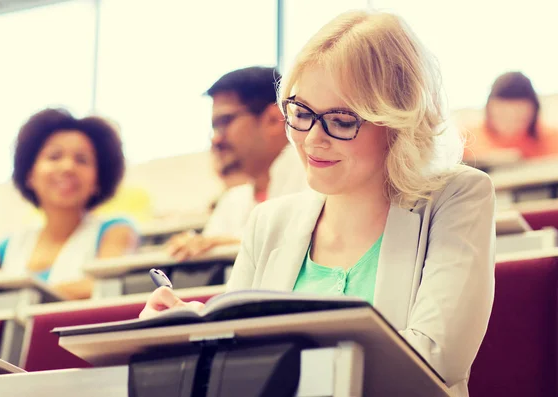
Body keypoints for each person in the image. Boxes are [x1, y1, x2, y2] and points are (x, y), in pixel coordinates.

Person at [141, 10, 495, 396]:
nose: (312, 140)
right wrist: (189, 328)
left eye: (341, 121)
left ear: (398, 122)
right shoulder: (269, 222)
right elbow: (237, 370)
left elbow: (435, 360)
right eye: (301, 113)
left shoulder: (458, 197)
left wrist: (271, 356)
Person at [0, 108, 139, 299]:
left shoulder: (115, 230)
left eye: (82, 160)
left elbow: (103, 286)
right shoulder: (6, 245)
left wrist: (10, 293)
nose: (68, 167)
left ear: (98, 180)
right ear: (29, 174)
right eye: (54, 156)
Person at [166, 67, 308, 261]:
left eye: (225, 122)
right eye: (214, 127)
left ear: (274, 120)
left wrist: (231, 245)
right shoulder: (234, 201)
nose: (216, 139)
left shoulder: (316, 181)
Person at [463, 71, 558, 161]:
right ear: (489, 110)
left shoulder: (553, 140)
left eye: (518, 119)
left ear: (533, 112)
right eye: (502, 116)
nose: (509, 124)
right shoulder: (465, 141)